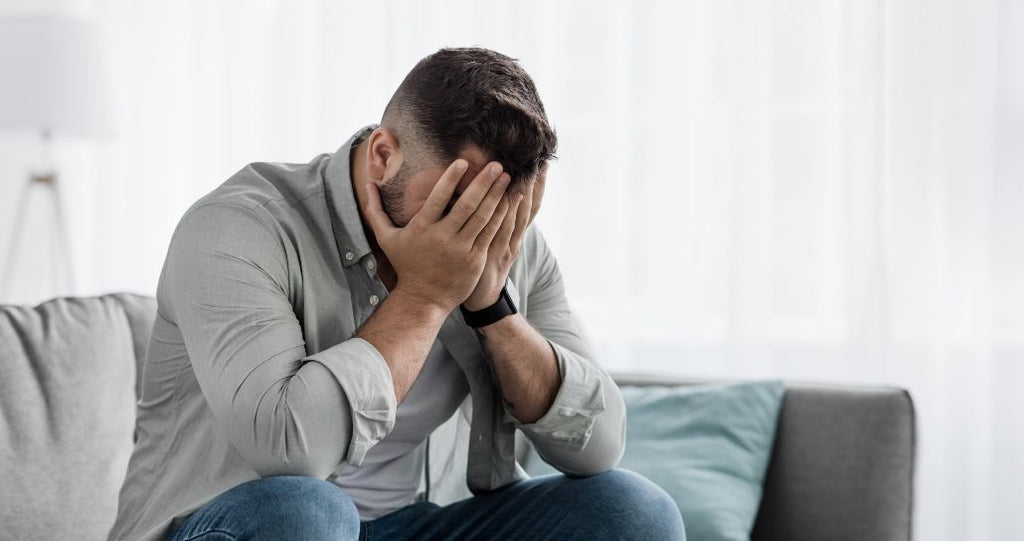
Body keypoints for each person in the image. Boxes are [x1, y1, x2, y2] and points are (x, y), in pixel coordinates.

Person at [108, 47, 685, 541]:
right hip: (244, 521)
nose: (477, 230)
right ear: (384, 155)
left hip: (416, 522)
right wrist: (427, 297)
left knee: (634, 512)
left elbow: (598, 445)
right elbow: (290, 451)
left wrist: (491, 307)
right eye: (456, 200)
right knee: (307, 511)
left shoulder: (506, 238)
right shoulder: (239, 227)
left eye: (498, 207)